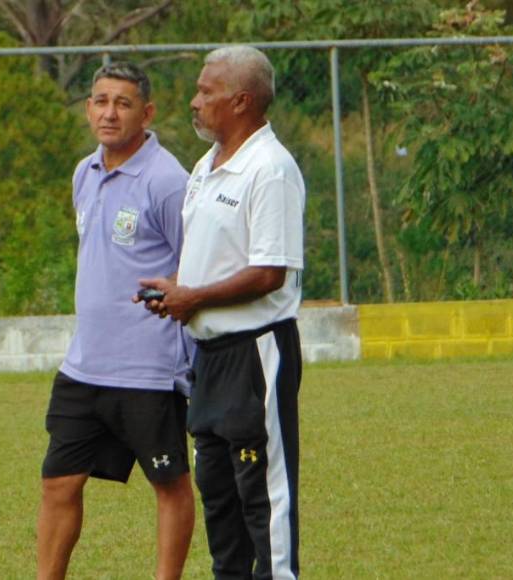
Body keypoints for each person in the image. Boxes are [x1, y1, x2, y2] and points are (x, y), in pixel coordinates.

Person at [139, 46, 305, 579]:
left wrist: (196, 297)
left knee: (264, 498)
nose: (194, 101)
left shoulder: (271, 168)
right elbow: (216, 258)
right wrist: (178, 290)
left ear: (240, 100)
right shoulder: (205, 167)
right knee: (218, 495)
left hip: (256, 353)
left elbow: (270, 272)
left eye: (206, 91)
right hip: (207, 358)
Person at [37, 62, 195, 580]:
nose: (109, 112)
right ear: (88, 109)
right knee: (59, 482)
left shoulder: (169, 180)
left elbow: (197, 265)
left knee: (169, 485)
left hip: (148, 368)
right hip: (84, 367)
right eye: (101, 101)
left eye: (122, 103)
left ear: (146, 113)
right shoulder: (84, 172)